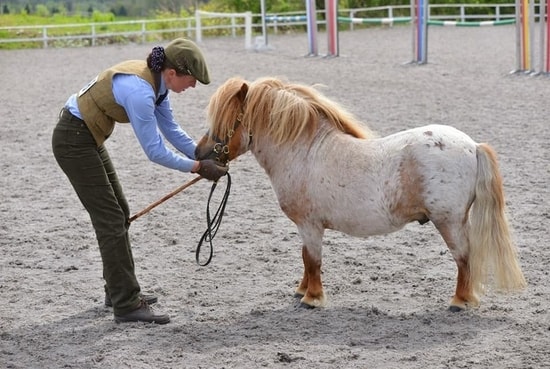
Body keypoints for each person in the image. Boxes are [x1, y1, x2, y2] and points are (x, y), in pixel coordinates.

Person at [52, 38, 227, 324]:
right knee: (110, 219)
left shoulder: (157, 86)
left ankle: (118, 289)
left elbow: (170, 128)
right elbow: (155, 151)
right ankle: (126, 304)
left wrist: (200, 152)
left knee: (118, 213)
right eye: (192, 80)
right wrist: (197, 167)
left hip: (85, 137)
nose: (193, 86)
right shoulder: (140, 92)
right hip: (74, 141)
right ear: (172, 73)